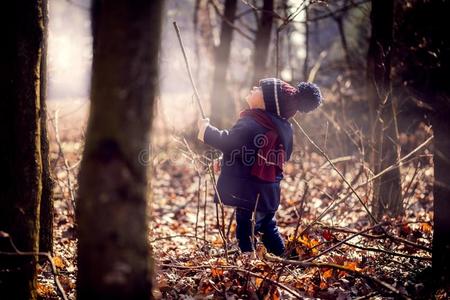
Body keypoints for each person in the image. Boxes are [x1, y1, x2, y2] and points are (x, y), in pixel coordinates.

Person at [197, 78, 323, 256]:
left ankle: (248, 260)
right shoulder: (283, 128)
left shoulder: (252, 122)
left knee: (246, 229)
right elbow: (253, 151)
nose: (254, 87)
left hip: (250, 192)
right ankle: (284, 256)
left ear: (267, 103)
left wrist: (206, 131)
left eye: (260, 89)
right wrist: (226, 160)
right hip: (269, 191)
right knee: (267, 226)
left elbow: (231, 142)